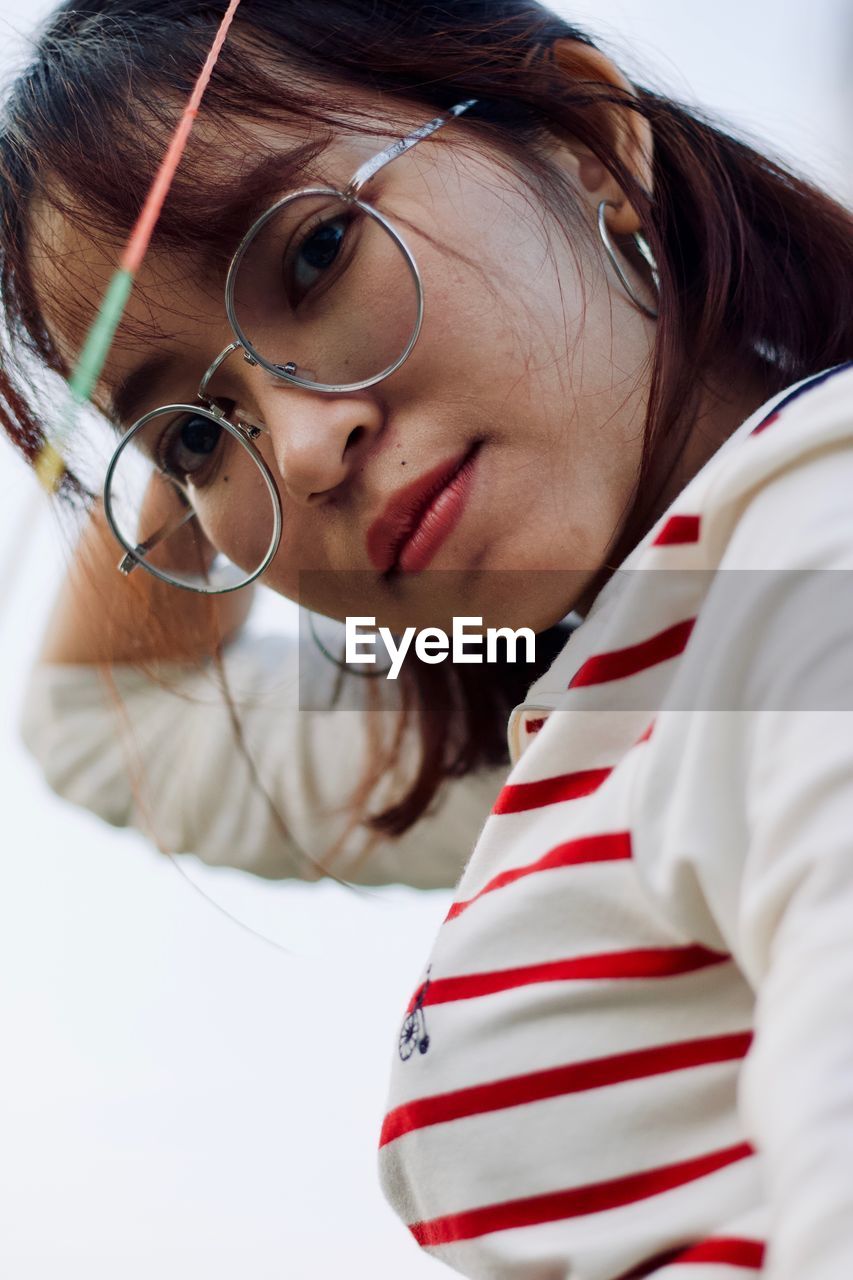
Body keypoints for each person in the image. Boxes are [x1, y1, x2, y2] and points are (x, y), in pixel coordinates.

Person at [3, 1, 853, 1275]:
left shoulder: (802, 567)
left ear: (592, 145)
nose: (295, 447)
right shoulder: (594, 710)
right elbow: (104, 722)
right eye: (195, 437)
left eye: (315, 254)